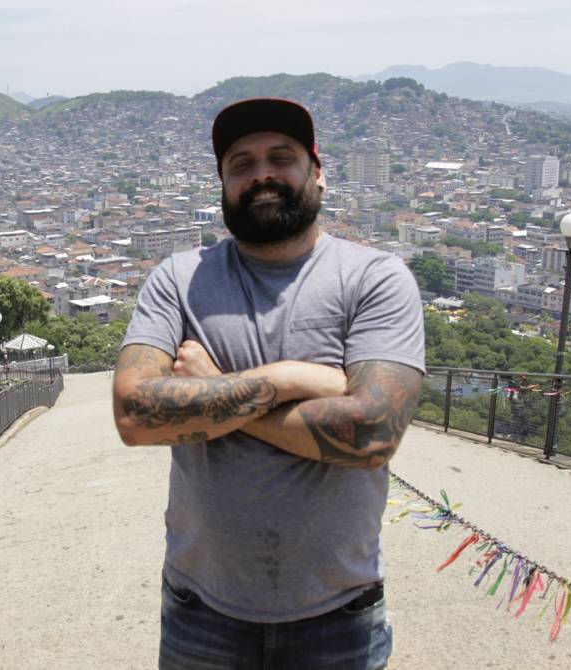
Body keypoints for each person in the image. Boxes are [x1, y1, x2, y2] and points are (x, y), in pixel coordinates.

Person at [112, 97, 425, 669]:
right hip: (201, 608)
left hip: (339, 612)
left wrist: (215, 392)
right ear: (223, 186)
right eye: (240, 163)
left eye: (281, 157)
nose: (262, 174)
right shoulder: (178, 279)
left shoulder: (374, 278)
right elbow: (135, 414)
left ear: (317, 173)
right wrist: (291, 379)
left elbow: (373, 432)